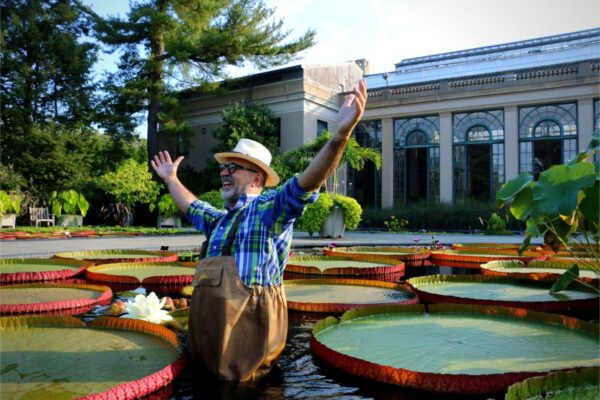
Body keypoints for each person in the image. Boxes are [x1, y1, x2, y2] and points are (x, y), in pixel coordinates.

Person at [151, 79, 367, 382]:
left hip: (248, 338)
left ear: (257, 178)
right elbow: (192, 206)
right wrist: (171, 179)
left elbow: (307, 183)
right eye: (223, 168)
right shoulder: (219, 220)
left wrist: (339, 137)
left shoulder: (270, 209)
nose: (223, 173)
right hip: (205, 340)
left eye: (233, 168)